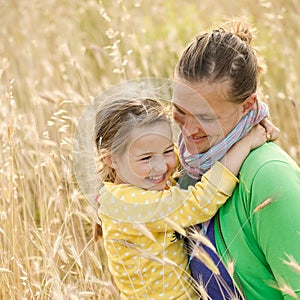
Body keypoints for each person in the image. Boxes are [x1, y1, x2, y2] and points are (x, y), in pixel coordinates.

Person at [93, 95, 268, 299]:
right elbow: (199, 202)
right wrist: (245, 144)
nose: (161, 166)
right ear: (111, 159)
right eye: (146, 158)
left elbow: (193, 163)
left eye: (167, 151)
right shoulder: (128, 204)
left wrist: (253, 119)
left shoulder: (139, 186)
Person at [173, 19, 300, 300]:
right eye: (179, 110)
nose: (189, 129)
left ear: (247, 106)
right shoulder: (186, 167)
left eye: (206, 117)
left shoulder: (269, 176)